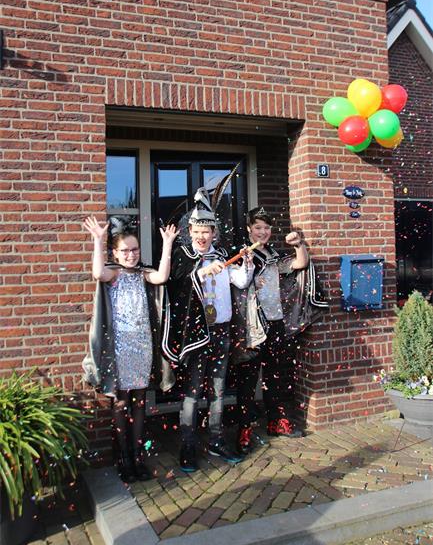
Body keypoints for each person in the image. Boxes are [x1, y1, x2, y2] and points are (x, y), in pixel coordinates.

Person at [163, 188, 255, 473]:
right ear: (190, 231)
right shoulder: (183, 255)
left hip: (221, 332)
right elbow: (177, 286)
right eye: (197, 231)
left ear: (214, 233)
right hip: (195, 335)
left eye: (207, 231)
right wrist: (202, 272)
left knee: (218, 388)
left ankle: (216, 439)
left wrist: (247, 265)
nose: (202, 236)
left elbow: (240, 282)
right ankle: (187, 446)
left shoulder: (223, 255)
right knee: (192, 391)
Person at [82, 216, 178, 483]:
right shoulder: (113, 273)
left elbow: (162, 276)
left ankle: (137, 456)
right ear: (115, 253)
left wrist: (167, 244)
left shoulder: (142, 273)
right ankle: (123, 457)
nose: (131, 255)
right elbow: (98, 273)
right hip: (120, 348)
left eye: (134, 250)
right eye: (125, 251)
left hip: (142, 345)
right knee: (121, 401)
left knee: (140, 401)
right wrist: (98, 240)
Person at [232, 206, 328, 456]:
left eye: (266, 227)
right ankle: (244, 430)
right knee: (247, 381)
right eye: (258, 227)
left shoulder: (274, 255)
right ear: (249, 229)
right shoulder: (241, 254)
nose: (263, 232)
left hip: (276, 324)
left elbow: (300, 263)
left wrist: (299, 244)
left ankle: (276, 422)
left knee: (275, 376)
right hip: (252, 327)